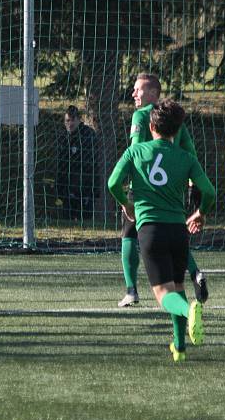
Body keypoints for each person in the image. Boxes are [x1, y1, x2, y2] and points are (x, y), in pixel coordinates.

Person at [108, 99, 216, 362]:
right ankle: (179, 347)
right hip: (178, 230)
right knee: (177, 285)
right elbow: (210, 192)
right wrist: (200, 213)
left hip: (151, 230)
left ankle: (190, 311)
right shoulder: (186, 158)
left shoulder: (135, 152)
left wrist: (127, 204)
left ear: (151, 126)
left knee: (163, 294)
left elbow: (113, 183)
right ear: (176, 130)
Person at [118, 73, 210, 318]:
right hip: (172, 194)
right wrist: (194, 189)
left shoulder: (142, 115)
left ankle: (131, 290)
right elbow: (191, 153)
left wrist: (126, 198)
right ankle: (195, 274)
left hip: (144, 193)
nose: (134, 94)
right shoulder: (175, 120)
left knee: (129, 235)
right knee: (174, 241)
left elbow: (135, 149)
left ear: (153, 93)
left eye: (138, 90)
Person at [55, 105, 97, 220]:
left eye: (73, 120)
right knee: (66, 218)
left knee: (84, 219)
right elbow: (60, 164)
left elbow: (89, 164)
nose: (70, 123)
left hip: (84, 186)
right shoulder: (63, 136)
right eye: (67, 120)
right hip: (66, 185)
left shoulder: (88, 135)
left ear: (79, 120)